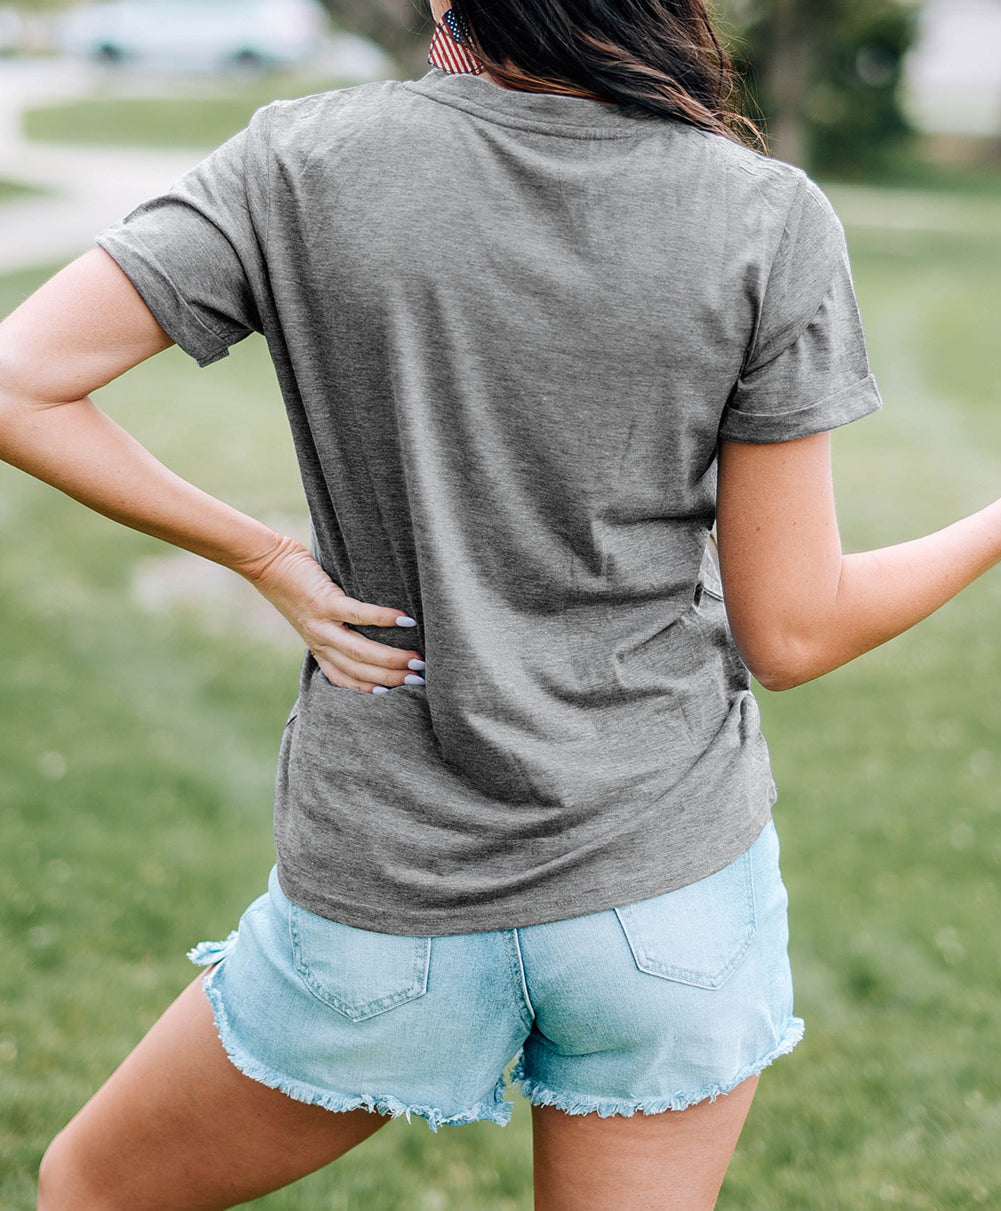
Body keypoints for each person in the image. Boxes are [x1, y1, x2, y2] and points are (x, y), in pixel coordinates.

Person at [2, 2, 999, 1208]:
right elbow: (793, 632)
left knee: (90, 1187)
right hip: (667, 897)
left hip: (388, 892)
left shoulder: (301, 161)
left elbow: (20, 383)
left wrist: (262, 554)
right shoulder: (763, 213)